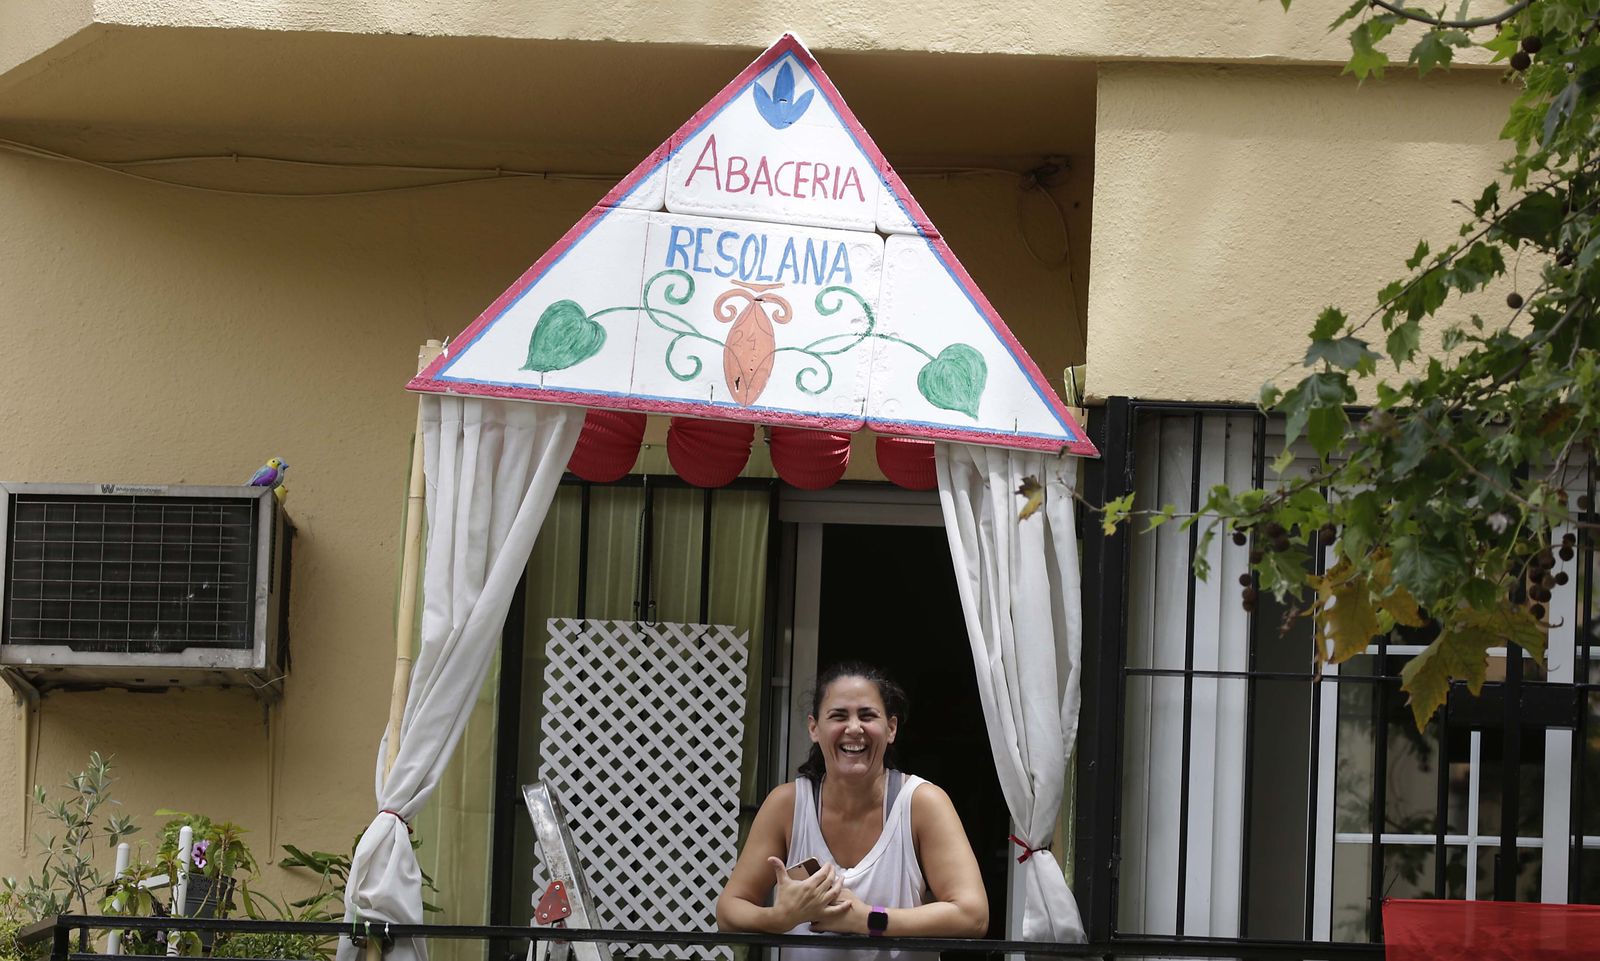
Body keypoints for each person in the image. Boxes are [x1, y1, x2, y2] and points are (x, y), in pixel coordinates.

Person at [716, 662, 988, 957]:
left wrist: (867, 919)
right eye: (838, 716)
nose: (854, 728)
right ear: (814, 728)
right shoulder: (787, 805)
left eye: (868, 715)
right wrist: (780, 917)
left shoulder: (922, 803)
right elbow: (729, 910)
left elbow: (973, 916)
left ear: (891, 728)